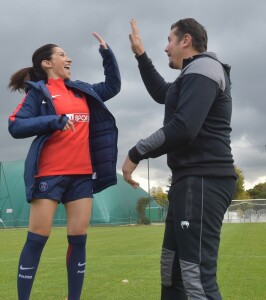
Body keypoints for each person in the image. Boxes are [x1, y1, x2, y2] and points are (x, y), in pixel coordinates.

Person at [122, 18, 237, 299]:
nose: (166, 48)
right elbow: (164, 92)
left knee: (195, 277)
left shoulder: (206, 67)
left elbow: (184, 127)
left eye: (169, 40)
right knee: (172, 272)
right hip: (188, 181)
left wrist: (136, 153)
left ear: (186, 40)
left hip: (204, 180)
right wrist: (140, 55)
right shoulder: (190, 76)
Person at [8, 32, 121, 300]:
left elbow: (113, 86)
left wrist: (107, 53)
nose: (68, 58)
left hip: (81, 176)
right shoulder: (39, 94)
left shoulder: (82, 90)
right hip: (48, 174)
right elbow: (15, 125)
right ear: (47, 64)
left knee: (79, 239)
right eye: (61, 54)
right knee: (37, 238)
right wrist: (53, 121)